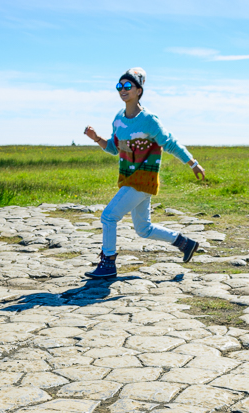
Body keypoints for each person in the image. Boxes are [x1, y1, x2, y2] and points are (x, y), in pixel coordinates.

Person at [82, 67, 207, 280]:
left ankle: (108, 263)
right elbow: (114, 148)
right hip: (128, 178)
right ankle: (185, 243)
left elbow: (170, 143)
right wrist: (96, 137)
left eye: (128, 86)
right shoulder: (118, 119)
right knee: (144, 229)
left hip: (144, 177)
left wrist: (192, 162)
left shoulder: (149, 119)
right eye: (119, 86)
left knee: (109, 216)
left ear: (139, 90)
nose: (123, 89)